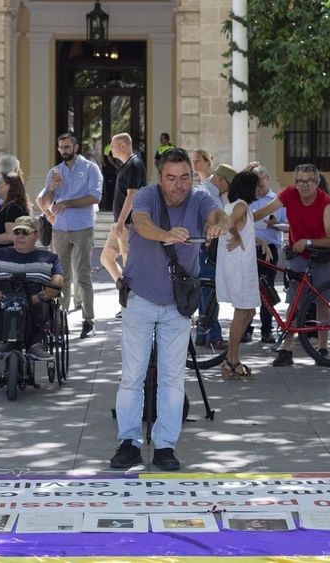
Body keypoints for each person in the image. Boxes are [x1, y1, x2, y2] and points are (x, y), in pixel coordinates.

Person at [111, 147, 226, 472]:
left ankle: (165, 446)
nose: (179, 185)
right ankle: (129, 442)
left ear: (192, 176)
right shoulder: (147, 196)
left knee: (173, 379)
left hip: (178, 305)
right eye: (171, 178)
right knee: (132, 376)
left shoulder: (200, 198)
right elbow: (141, 222)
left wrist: (218, 225)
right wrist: (167, 235)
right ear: (160, 178)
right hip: (141, 299)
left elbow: (217, 214)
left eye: (185, 177)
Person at [252, 164, 330, 367]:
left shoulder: (326, 203)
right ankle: (286, 349)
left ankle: (323, 347)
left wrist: (308, 241)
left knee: (321, 300)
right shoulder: (290, 194)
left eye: (309, 181)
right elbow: (264, 211)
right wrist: (242, 219)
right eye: (300, 181)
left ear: (317, 182)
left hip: (321, 256)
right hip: (298, 255)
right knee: (294, 301)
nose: (304, 185)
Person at [37, 132, 102, 339]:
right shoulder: (54, 172)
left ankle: (88, 321)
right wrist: (51, 188)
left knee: (83, 275)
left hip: (83, 227)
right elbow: (45, 202)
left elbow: (95, 196)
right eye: (61, 148)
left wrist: (67, 203)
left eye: (67, 147)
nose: (64, 151)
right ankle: (59, 319)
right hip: (60, 229)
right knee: (61, 277)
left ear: (76, 147)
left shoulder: (90, 168)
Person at [0, 216, 64, 361]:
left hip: (34, 294)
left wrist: (41, 296)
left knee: (42, 302)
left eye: (25, 232)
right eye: (17, 232)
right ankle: (2, 342)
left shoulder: (50, 258)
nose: (20, 236)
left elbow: (58, 282)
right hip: (4, 293)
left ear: (36, 234)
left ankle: (35, 344)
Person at [216, 171, 259, 379]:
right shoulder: (241, 205)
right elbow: (227, 224)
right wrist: (236, 237)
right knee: (243, 312)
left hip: (240, 265)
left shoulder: (234, 205)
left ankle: (232, 358)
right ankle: (231, 360)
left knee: (248, 312)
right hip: (240, 267)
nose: (259, 189)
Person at [195, 164, 235, 348]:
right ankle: (214, 336)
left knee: (205, 289)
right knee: (210, 290)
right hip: (204, 246)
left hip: (207, 246)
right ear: (220, 179)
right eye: (228, 185)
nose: (228, 190)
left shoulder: (212, 193)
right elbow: (204, 220)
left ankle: (203, 335)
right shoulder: (206, 193)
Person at [101, 133, 146, 285]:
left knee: (129, 264)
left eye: (113, 146)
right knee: (106, 258)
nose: (111, 149)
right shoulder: (125, 166)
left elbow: (132, 195)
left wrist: (121, 222)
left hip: (127, 223)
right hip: (119, 223)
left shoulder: (135, 164)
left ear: (123, 146)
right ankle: (125, 290)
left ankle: (133, 301)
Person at [249, 164, 285, 343]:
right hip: (248, 250)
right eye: (255, 181)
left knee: (267, 290)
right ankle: (246, 329)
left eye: (261, 180)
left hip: (269, 250)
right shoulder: (247, 200)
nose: (259, 184)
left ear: (267, 180)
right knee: (247, 290)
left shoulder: (277, 200)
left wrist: (276, 222)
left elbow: (288, 225)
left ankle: (266, 330)